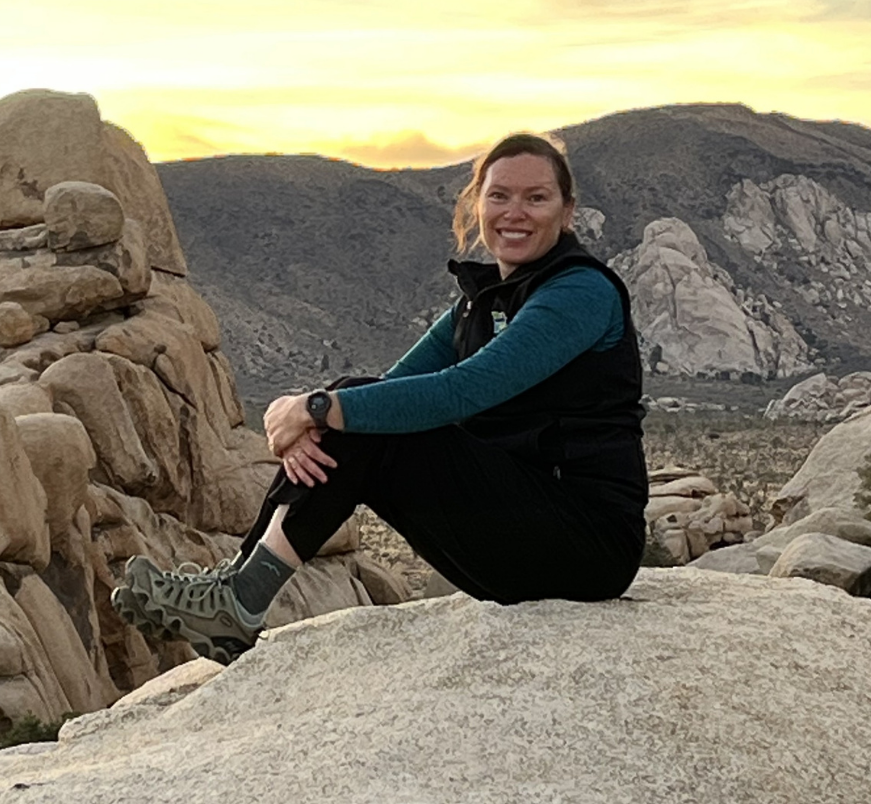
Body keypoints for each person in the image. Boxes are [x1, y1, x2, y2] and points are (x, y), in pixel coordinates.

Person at [112, 132, 649, 664]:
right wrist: (316, 416)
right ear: (477, 203)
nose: (516, 212)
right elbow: (392, 390)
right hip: (523, 527)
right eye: (500, 195)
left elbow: (460, 392)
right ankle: (237, 589)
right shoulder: (479, 304)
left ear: (567, 211)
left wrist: (314, 409)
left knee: (352, 411)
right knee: (359, 411)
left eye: (537, 197)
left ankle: (239, 599)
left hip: (585, 542)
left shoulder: (579, 292)